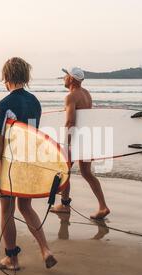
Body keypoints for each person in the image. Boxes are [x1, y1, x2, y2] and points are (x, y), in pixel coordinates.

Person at [0, 57, 57, 271]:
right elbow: (27, 132)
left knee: (7, 209)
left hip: (11, 165)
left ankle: (12, 259)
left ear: (6, 77)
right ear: (25, 76)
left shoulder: (4, 104)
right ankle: (45, 250)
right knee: (25, 206)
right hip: (29, 161)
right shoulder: (35, 102)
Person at [50, 67, 111, 220]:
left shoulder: (71, 96)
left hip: (76, 140)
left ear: (71, 78)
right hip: (87, 138)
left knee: (64, 171)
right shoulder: (86, 94)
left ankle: (64, 205)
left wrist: (66, 144)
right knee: (86, 173)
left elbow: (71, 122)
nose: (64, 78)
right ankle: (103, 206)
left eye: (65, 75)